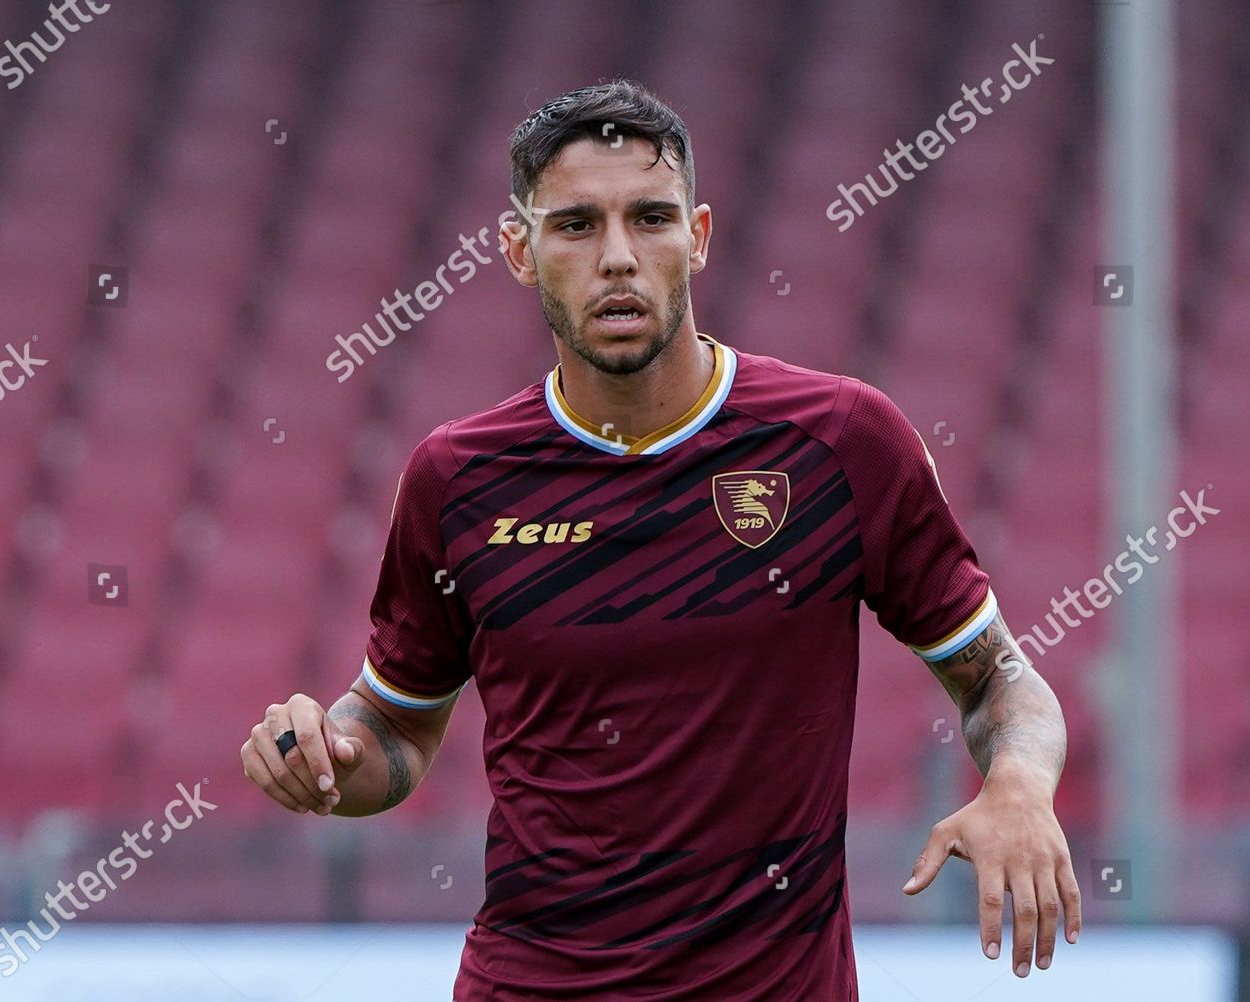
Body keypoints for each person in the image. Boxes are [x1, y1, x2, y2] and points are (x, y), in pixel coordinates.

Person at [240, 78, 1079, 1001]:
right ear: (519, 250)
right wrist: (324, 758)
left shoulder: (840, 443)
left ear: (699, 236)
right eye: (575, 226)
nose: (617, 259)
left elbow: (1002, 681)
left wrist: (1020, 785)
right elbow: (394, 728)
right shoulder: (458, 479)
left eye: (649, 219)